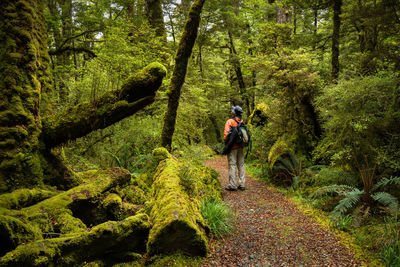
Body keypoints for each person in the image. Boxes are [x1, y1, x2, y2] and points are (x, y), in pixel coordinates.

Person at [223, 106, 245, 191]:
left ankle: (232, 185)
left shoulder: (230, 121)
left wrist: (227, 143)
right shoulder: (242, 122)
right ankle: (242, 184)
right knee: (241, 165)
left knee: (232, 165)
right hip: (241, 147)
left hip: (232, 148)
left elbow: (225, 136)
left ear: (234, 113)